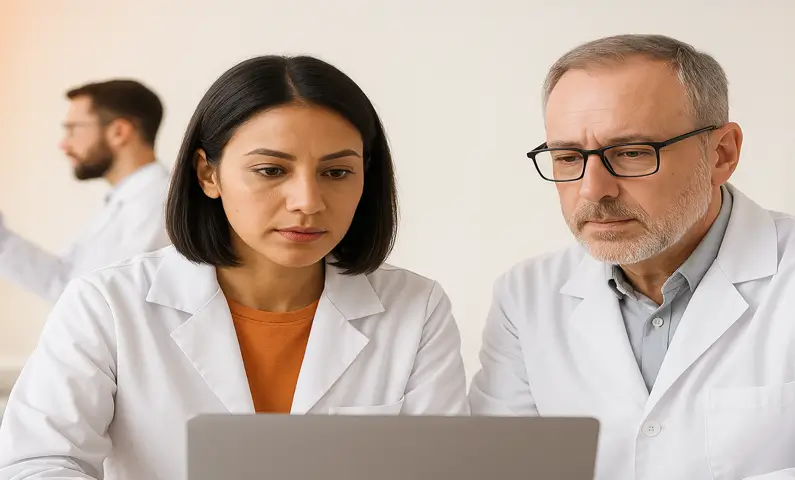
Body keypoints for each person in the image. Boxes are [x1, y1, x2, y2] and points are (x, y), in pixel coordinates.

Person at [469, 34, 795, 479]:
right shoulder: (525, 296)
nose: (594, 190)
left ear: (722, 153)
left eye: (633, 152)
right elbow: (499, 468)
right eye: (568, 157)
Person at [0, 55, 468, 479]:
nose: (307, 202)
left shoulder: (416, 309)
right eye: (271, 170)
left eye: (336, 172)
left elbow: (441, 470)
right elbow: (38, 462)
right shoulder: (106, 304)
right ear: (208, 175)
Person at [0, 79, 171, 303]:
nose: (63, 144)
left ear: (119, 132)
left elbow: (102, 301)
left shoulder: (157, 204)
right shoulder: (124, 200)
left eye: (72, 130)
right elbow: (64, 282)